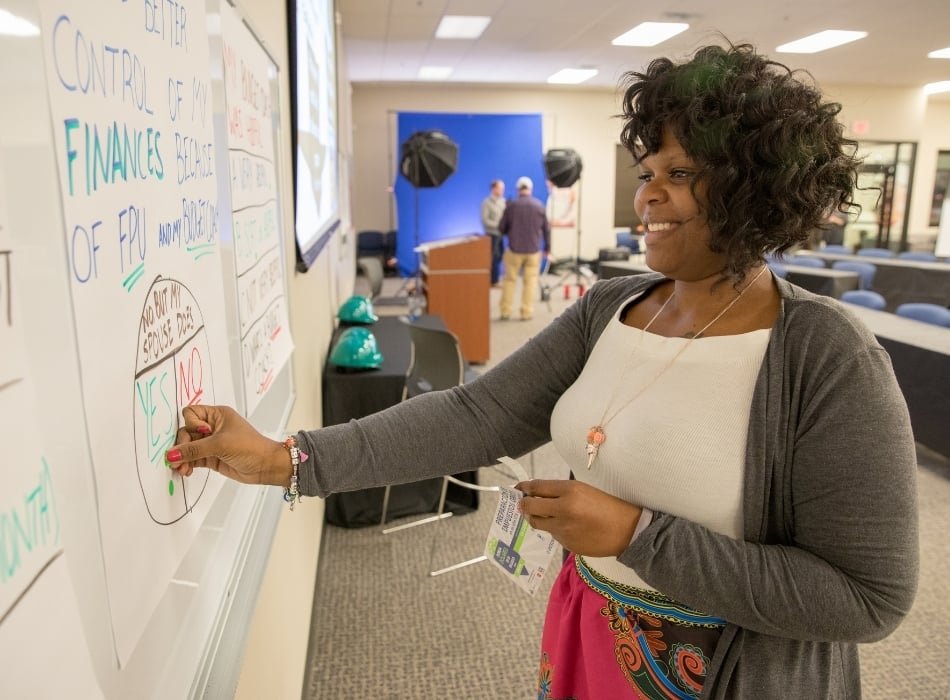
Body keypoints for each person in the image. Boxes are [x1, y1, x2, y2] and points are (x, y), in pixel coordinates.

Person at [165, 42, 918, 698]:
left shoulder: (826, 358)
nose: (646, 193)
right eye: (648, 167)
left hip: (730, 674)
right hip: (587, 629)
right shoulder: (612, 306)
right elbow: (475, 415)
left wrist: (635, 535)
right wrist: (285, 460)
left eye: (680, 173)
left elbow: (867, 597)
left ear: (756, 186)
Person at [497, 176, 551, 321]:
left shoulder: (511, 206)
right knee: (530, 282)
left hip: (514, 250)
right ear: (530, 189)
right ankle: (526, 312)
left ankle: (505, 312)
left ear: (518, 189)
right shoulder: (540, 206)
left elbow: (501, 228)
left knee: (509, 281)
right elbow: (546, 230)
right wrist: (547, 248)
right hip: (533, 251)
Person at [480, 179, 506, 286]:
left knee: (500, 256)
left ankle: (494, 278)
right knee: (494, 257)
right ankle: (494, 281)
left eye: (503, 188)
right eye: (500, 188)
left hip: (501, 234)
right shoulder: (486, 203)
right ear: (493, 189)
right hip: (492, 234)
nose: (502, 190)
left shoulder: (503, 202)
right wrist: (498, 225)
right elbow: (485, 220)